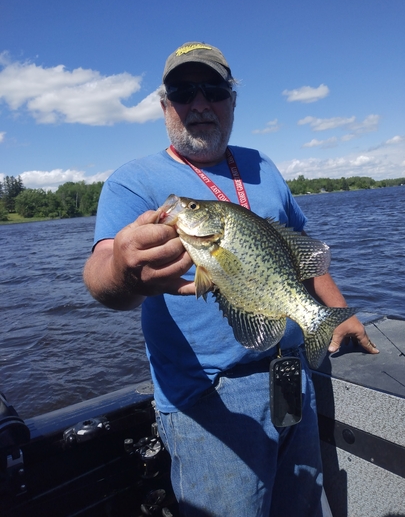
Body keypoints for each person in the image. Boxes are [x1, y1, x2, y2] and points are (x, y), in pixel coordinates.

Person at [83, 42, 378, 517]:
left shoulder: (262, 165)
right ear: (165, 106)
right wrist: (121, 267)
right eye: (183, 92)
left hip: (291, 376)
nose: (199, 104)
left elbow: (301, 253)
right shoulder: (131, 181)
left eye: (213, 90)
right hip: (209, 400)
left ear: (232, 101)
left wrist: (337, 317)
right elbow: (100, 279)